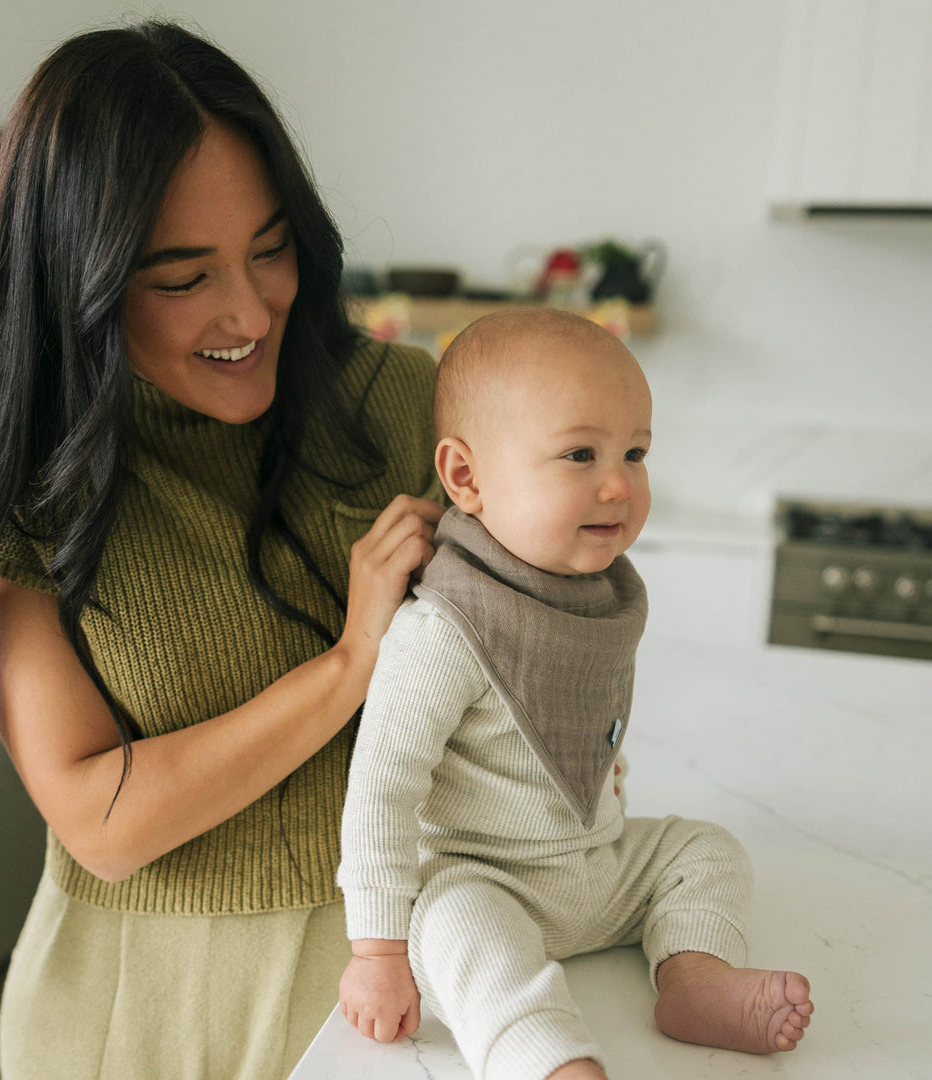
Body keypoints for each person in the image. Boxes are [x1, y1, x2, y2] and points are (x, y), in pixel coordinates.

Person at [0, 20, 445, 1080]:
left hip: (397, 1000)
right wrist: (350, 666)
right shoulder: (20, 493)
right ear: (76, 284)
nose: (249, 310)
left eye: (270, 248)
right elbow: (101, 821)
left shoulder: (404, 406)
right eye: (182, 278)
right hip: (131, 1017)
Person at [337, 308, 814, 1079]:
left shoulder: (599, 594)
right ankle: (549, 1060)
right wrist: (379, 950)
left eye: (635, 451)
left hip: (597, 866)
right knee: (465, 937)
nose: (619, 482)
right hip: (487, 880)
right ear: (466, 477)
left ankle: (694, 979)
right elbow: (381, 789)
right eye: (580, 454)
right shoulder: (444, 629)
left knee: (706, 849)